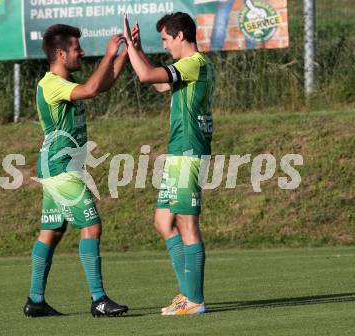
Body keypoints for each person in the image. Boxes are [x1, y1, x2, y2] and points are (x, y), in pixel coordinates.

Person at [23, 24, 129, 318]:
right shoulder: (52, 84)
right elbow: (93, 88)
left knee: (52, 232)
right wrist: (109, 55)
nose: (81, 52)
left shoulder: (64, 80)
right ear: (60, 53)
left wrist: (125, 52)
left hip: (58, 167)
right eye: (76, 48)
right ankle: (98, 299)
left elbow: (102, 84)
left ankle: (35, 300)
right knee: (91, 226)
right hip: (61, 169)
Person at [123, 12, 214, 315]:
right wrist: (136, 50)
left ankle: (195, 301)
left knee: (187, 222)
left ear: (179, 36)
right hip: (177, 152)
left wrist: (132, 50)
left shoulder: (193, 64)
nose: (165, 45)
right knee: (164, 222)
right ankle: (185, 295)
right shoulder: (186, 67)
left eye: (165, 38)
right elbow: (161, 84)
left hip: (188, 151)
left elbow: (148, 76)